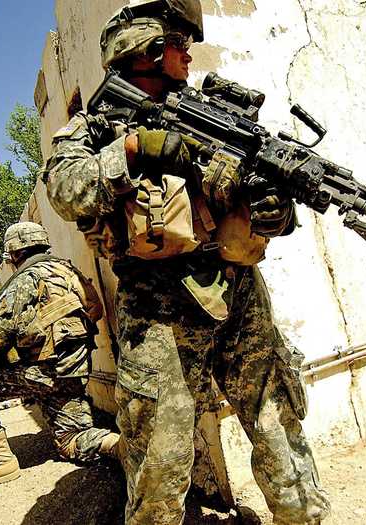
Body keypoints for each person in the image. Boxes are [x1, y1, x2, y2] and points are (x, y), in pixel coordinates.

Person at [41, 1, 331, 523]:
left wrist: (273, 212)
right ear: (145, 50)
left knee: (274, 418)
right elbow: (66, 191)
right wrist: (133, 149)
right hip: (158, 307)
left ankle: (302, 516)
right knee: (161, 447)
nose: (189, 52)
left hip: (237, 286)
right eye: (178, 42)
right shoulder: (91, 130)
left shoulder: (211, 115)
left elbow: (253, 200)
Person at [0, 221, 121, 493]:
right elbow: (95, 310)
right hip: (73, 373)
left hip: (43, 374)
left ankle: (1, 462)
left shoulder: (23, 281)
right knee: (71, 440)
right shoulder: (68, 271)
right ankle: (122, 447)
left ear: (15, 252)